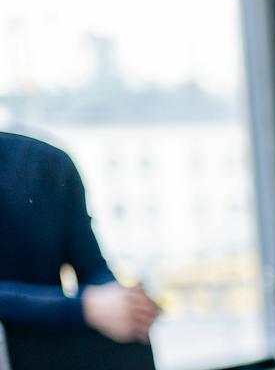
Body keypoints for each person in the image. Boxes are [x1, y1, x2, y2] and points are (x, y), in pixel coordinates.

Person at [0, 132, 160, 342]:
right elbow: (91, 302)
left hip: (47, 351)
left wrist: (130, 305)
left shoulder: (48, 164)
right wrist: (81, 308)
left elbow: (92, 268)